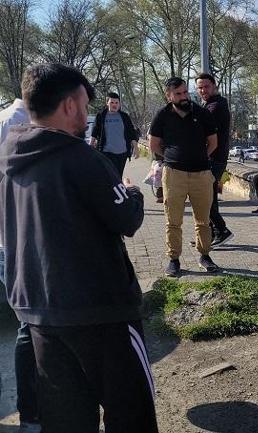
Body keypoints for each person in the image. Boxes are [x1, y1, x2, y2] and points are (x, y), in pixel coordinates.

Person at [0, 63, 158, 432]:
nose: (87, 115)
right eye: (85, 105)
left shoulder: (9, 157)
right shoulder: (80, 157)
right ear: (69, 105)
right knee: (131, 412)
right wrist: (133, 192)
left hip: (38, 311)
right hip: (100, 311)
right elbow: (128, 219)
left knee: (67, 419)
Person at [149, 77, 220, 277]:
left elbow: (213, 143)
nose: (184, 97)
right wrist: (172, 157)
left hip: (202, 175)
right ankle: (174, 259)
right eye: (178, 94)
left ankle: (205, 256)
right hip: (173, 175)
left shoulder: (202, 113)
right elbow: (154, 144)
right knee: (173, 221)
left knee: (203, 220)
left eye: (185, 92)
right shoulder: (162, 115)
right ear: (169, 95)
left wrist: (199, 158)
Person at [0, 98, 39, 430]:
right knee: (31, 327)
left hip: (8, 239)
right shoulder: (18, 122)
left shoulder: (7, 118)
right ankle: (32, 416)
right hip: (15, 241)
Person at [195, 73, 234, 247]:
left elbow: (202, 131)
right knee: (208, 197)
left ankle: (221, 230)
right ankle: (211, 233)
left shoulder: (215, 107)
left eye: (206, 86)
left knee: (205, 197)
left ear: (214, 86)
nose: (203, 90)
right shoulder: (210, 104)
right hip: (213, 158)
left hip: (214, 158)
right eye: (200, 87)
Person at [89, 92, 139, 177]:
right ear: (107, 103)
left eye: (116, 103)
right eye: (112, 102)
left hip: (122, 153)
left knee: (118, 176)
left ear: (119, 103)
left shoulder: (124, 116)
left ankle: (117, 190)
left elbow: (131, 132)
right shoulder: (101, 116)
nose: (114, 105)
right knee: (109, 176)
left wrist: (136, 148)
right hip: (106, 152)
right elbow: (94, 132)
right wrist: (90, 148)